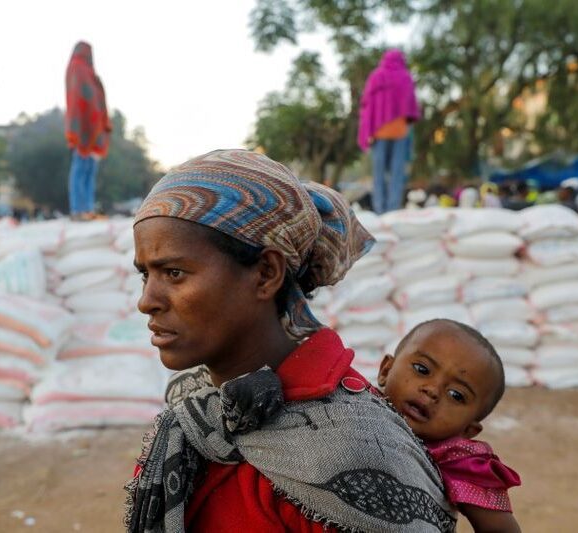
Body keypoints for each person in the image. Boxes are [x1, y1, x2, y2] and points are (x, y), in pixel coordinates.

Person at [125, 149, 456, 532]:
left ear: (266, 272)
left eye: (175, 272)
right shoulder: (195, 407)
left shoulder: (354, 446)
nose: (147, 301)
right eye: (144, 276)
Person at [378, 319, 521, 533]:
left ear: (468, 431)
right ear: (386, 370)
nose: (432, 390)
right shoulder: (351, 404)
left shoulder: (458, 460)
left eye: (456, 395)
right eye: (422, 369)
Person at [358, 49, 420, 215]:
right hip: (400, 131)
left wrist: (368, 128)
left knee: (378, 172)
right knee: (396, 171)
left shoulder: (376, 76)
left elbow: (366, 103)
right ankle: (392, 209)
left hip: (379, 131)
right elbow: (411, 105)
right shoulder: (405, 76)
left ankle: (379, 209)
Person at [64, 41, 112, 221]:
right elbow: (77, 98)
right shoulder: (76, 68)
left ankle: (88, 208)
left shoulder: (90, 73)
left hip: (94, 128)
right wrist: (79, 127)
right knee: (80, 167)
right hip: (82, 126)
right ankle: (78, 209)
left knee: (90, 169)